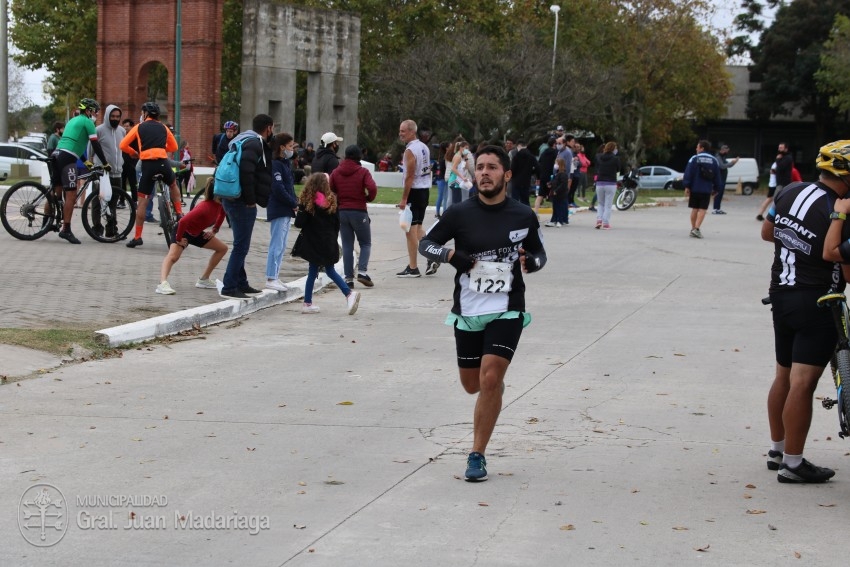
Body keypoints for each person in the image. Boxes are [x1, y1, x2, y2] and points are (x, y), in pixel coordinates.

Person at [418, 145, 546, 481]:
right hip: (469, 308)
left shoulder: (522, 215)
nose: (484, 173)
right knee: (472, 385)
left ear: (507, 175)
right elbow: (425, 244)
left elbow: (539, 253)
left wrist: (531, 263)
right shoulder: (460, 213)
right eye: (480, 168)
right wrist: (449, 256)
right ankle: (494, 389)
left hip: (508, 307)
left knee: (490, 378)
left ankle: (477, 455)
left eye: (492, 167)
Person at [762, 140, 850, 484]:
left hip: (781, 296)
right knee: (804, 382)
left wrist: (798, 246)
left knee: (783, 374)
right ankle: (794, 464)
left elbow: (768, 231)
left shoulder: (789, 191)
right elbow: (845, 270)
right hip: (818, 302)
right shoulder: (841, 211)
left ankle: (777, 449)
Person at [218, 113, 275, 300]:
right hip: (241, 201)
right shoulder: (254, 143)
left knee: (239, 243)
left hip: (231, 197)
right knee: (241, 246)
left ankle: (241, 283)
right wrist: (251, 200)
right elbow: (247, 172)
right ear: (268, 128)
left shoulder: (243, 140)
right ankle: (229, 286)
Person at [292, 173, 361, 315]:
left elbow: (299, 224)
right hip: (328, 242)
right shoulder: (332, 202)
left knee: (315, 271)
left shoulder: (307, 201)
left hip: (313, 243)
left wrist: (299, 211)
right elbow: (337, 225)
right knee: (326, 270)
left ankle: (346, 294)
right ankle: (311, 302)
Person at [120, 102, 182, 248]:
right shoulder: (164, 127)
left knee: (143, 202)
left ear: (145, 114)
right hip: (163, 162)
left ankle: (137, 237)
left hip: (148, 165)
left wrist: (134, 153)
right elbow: (174, 147)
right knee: (173, 185)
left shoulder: (139, 127)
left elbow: (123, 145)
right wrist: (160, 148)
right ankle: (179, 213)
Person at [49, 98, 110, 244]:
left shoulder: (72, 121)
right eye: (95, 111)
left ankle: (47, 222)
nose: (96, 114)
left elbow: (73, 143)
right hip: (67, 158)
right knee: (71, 194)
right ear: (88, 110)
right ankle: (66, 230)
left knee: (55, 191)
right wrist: (105, 163)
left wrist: (85, 162)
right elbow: (95, 144)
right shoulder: (88, 122)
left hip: (57, 155)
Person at [155, 178, 228, 295]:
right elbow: (183, 221)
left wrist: (214, 230)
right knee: (173, 257)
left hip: (196, 233)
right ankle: (162, 284)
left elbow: (223, 213)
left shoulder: (222, 204)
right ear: (217, 194)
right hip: (182, 231)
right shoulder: (205, 206)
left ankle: (203, 280)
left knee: (222, 248)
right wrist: (178, 239)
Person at [330, 144, 378, 288]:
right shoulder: (363, 172)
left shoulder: (336, 172)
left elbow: (331, 188)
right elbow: (372, 188)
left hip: (342, 212)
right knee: (365, 243)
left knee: (347, 246)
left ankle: (348, 279)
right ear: (359, 156)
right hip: (359, 211)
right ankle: (362, 272)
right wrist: (368, 198)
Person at [397, 119, 435, 278]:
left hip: (414, 191)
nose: (400, 134)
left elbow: (410, 176)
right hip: (425, 190)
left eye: (403, 131)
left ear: (412, 131)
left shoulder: (410, 150)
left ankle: (413, 267)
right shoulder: (424, 147)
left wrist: (404, 198)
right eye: (400, 131)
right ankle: (433, 255)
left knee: (409, 230)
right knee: (418, 228)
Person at [265, 132, 299, 293]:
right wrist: (293, 203)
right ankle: (271, 277)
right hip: (279, 208)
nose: (292, 149)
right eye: (290, 146)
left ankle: (276, 276)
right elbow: (278, 188)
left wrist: (295, 201)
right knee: (276, 244)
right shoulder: (276, 164)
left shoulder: (285, 163)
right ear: (282, 147)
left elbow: (289, 187)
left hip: (286, 209)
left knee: (282, 244)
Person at [91, 104, 126, 236]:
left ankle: (111, 229)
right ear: (107, 116)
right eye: (112, 116)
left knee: (113, 202)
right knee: (97, 202)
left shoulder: (122, 131)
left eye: (118, 116)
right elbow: (91, 150)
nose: (115, 119)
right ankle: (96, 228)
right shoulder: (98, 130)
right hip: (102, 172)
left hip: (117, 172)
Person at [683, 140, 722, 239]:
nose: (696, 149)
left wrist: (687, 186)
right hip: (706, 189)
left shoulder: (694, 158)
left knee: (694, 209)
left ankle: (693, 229)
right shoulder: (714, 160)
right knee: (703, 210)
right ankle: (696, 229)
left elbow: (688, 173)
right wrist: (717, 188)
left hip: (694, 188)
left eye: (697, 147)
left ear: (702, 148)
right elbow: (717, 176)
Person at [594, 141, 620, 230]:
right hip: (610, 183)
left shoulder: (599, 157)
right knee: (608, 205)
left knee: (600, 203)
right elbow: (618, 169)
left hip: (600, 182)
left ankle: (599, 220)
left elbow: (597, 167)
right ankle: (605, 223)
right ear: (613, 149)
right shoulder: (615, 159)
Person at [509, 139, 539, 206]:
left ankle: (515, 215)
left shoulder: (516, 156)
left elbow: (512, 169)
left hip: (516, 181)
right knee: (525, 201)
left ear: (519, 146)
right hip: (526, 181)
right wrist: (531, 172)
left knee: (515, 201)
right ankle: (526, 215)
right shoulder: (531, 156)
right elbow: (537, 167)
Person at [711, 144, 740, 215]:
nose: (727, 152)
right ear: (723, 150)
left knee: (720, 194)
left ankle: (718, 208)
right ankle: (715, 209)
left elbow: (728, 165)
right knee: (718, 194)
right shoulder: (718, 157)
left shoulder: (723, 157)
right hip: (719, 179)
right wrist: (732, 162)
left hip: (723, 179)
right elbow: (722, 166)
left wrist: (734, 162)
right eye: (727, 150)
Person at [534, 136, 557, 216]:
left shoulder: (544, 152)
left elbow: (539, 164)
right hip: (551, 176)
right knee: (554, 195)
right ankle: (555, 214)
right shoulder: (555, 152)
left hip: (543, 176)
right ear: (554, 144)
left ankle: (536, 213)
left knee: (540, 195)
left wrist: (538, 177)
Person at [447, 140, 472, 209]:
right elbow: (453, 168)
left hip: (458, 181)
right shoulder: (457, 157)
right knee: (456, 201)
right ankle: (453, 217)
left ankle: (455, 216)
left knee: (458, 200)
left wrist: (466, 158)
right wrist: (462, 177)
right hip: (454, 181)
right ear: (461, 147)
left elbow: (467, 167)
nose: (467, 150)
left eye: (468, 148)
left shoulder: (462, 157)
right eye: (466, 148)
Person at [120, 118, 138, 205]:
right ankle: (122, 201)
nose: (125, 128)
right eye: (124, 126)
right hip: (122, 163)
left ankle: (134, 201)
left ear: (132, 127)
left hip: (132, 163)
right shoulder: (122, 137)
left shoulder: (135, 137)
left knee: (133, 183)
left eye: (127, 126)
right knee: (122, 183)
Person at [549, 157, 570, 226]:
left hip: (560, 194)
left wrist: (556, 191)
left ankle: (560, 220)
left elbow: (563, 184)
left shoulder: (563, 174)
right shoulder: (557, 173)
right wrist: (550, 184)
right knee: (555, 207)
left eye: (556, 163)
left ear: (560, 165)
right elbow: (555, 182)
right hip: (555, 194)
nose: (555, 165)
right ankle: (554, 220)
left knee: (560, 207)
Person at [434, 142, 449, 218]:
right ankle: (438, 212)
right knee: (442, 196)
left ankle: (440, 212)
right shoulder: (445, 157)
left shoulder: (442, 156)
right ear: (446, 148)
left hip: (442, 178)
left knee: (443, 196)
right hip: (442, 179)